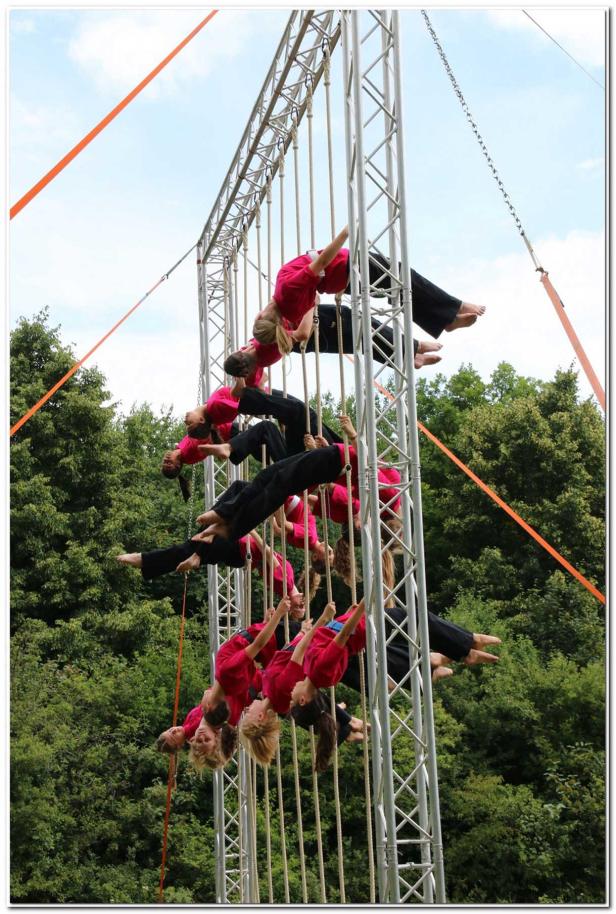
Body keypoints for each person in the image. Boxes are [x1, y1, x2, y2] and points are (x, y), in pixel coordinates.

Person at [251, 225, 485, 358]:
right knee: (404, 277)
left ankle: (446, 319)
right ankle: (453, 311)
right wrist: (345, 233)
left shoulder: (289, 310)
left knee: (401, 287)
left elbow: (312, 297)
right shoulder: (286, 290)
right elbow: (320, 263)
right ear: (261, 316)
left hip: (343, 277)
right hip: (345, 267)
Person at [238, 602, 337, 768]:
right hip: (324, 637)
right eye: (247, 714)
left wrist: (301, 632)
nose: (246, 709)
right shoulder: (282, 694)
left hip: (312, 637)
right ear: (261, 717)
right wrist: (324, 618)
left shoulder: (269, 692)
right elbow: (299, 652)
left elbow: (285, 654)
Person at [116, 530, 305, 612]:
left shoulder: (285, 586)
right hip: (237, 549)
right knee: (184, 551)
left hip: (237, 549)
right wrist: (252, 531)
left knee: (192, 546)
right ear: (302, 596)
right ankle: (145, 563)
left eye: (296, 609)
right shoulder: (287, 583)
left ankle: (144, 560)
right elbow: (269, 554)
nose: (295, 606)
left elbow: (267, 558)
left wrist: (251, 531)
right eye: (300, 606)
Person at [200, 596, 293, 728]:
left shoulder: (234, 689)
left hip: (270, 639)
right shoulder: (226, 672)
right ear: (208, 706)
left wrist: (265, 623)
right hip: (274, 638)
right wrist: (279, 613)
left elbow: (252, 655)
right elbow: (257, 645)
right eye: (201, 708)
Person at [156, 706, 237, 772]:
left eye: (169, 730)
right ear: (179, 745)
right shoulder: (198, 733)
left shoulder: (187, 725)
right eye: (173, 736)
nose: (174, 730)